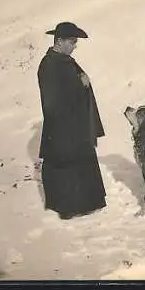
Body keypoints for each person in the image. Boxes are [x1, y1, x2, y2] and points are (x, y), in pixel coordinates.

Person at [37, 22, 107, 220]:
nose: (75, 45)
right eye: (72, 41)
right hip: (62, 128)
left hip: (76, 126)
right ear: (59, 41)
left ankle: (86, 204)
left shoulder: (66, 61)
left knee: (81, 164)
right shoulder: (49, 65)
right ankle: (67, 208)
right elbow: (52, 100)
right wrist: (80, 84)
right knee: (65, 167)